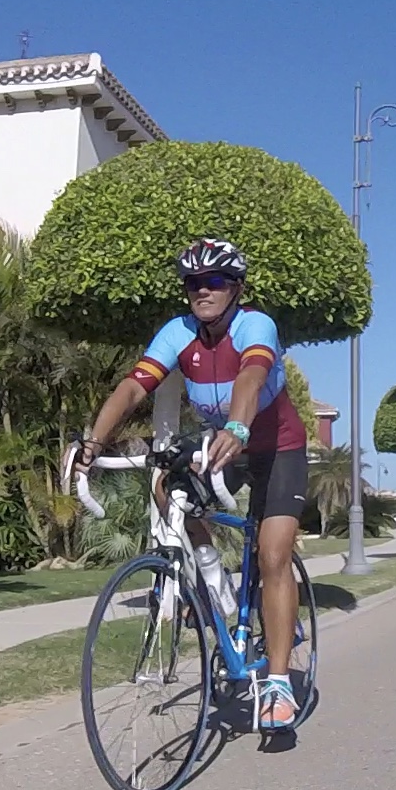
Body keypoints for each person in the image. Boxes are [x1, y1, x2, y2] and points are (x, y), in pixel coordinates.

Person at [74, 238, 309, 729]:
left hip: (276, 448)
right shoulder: (178, 332)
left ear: (236, 287)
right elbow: (135, 386)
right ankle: (215, 586)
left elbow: (251, 377)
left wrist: (238, 427)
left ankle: (279, 683)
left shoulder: (255, 325)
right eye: (193, 283)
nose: (203, 290)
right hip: (220, 442)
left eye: (215, 281)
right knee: (168, 487)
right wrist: (94, 441)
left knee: (272, 555)